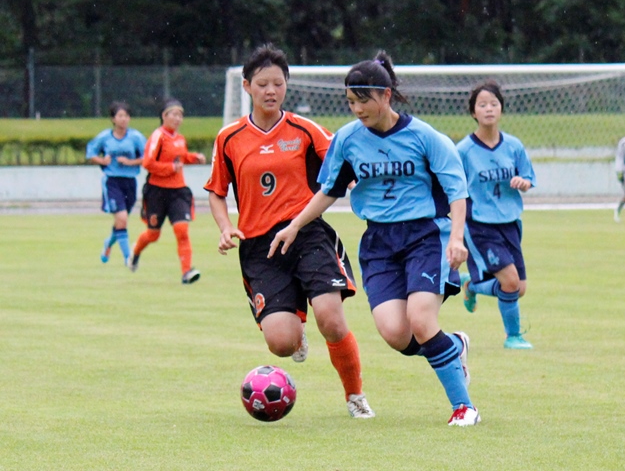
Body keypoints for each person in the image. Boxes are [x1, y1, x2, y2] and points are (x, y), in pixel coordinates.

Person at [269, 51, 479, 427]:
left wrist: (457, 239)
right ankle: (454, 347)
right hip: (379, 244)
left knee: (420, 320)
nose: (357, 109)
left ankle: (464, 408)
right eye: (351, 102)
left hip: (423, 236)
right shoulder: (348, 140)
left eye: (363, 100)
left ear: (386, 95)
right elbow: (329, 190)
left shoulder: (425, 137)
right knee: (396, 334)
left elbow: (457, 190)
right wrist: (295, 224)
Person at [204, 44, 375, 419]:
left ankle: (355, 396)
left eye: (278, 84)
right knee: (281, 344)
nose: (271, 91)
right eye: (263, 84)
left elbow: (342, 159)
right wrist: (225, 227)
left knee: (330, 316)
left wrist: (355, 179)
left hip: (306, 233)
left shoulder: (303, 129)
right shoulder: (229, 138)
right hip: (259, 248)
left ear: (286, 86)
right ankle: (295, 328)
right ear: (247, 86)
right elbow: (216, 192)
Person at [456, 79, 536, 350]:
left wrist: (524, 182)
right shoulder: (464, 151)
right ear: (473, 112)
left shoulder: (514, 146)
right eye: (482, 104)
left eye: (494, 104)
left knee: (518, 288)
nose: (489, 109)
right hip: (479, 226)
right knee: (510, 282)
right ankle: (513, 336)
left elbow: (528, 176)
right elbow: (453, 187)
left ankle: (472, 286)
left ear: (501, 109)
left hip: (510, 223)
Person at [128, 98, 206, 284]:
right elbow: (148, 163)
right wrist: (169, 168)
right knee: (153, 234)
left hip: (178, 191)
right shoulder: (158, 136)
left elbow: (181, 158)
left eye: (181, 115)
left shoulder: (180, 139)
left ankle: (187, 272)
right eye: (174, 114)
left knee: (182, 229)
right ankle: (136, 252)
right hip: (157, 192)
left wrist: (194, 157)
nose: (178, 119)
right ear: (164, 116)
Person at [86, 101, 145, 265]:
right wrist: (102, 160)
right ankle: (129, 258)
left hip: (130, 182)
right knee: (122, 218)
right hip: (112, 182)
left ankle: (108, 243)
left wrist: (130, 162)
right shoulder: (105, 137)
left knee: (121, 221)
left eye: (126, 116)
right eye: (120, 116)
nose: (124, 119)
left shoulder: (136, 137)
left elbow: (147, 157)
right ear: (113, 119)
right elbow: (90, 153)